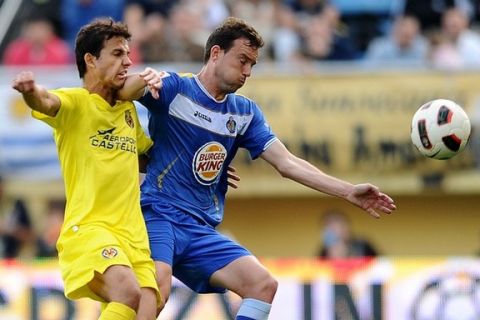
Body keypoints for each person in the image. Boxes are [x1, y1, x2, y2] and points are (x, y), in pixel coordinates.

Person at [120, 17, 396, 320]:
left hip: (200, 229)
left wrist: (348, 191)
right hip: (159, 214)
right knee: (157, 290)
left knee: (262, 285)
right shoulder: (174, 88)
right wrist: (144, 78)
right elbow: (120, 92)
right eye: (242, 60)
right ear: (215, 53)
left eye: (252, 64)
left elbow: (287, 163)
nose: (247, 72)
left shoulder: (244, 113)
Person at [12, 18, 164, 320]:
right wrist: (30, 91)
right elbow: (45, 100)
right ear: (91, 59)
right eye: (118, 53)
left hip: (134, 237)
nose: (128, 61)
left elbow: (152, 158)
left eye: (128, 54)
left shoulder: (127, 111)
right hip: (91, 231)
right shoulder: (75, 104)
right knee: (127, 292)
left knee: (147, 308)